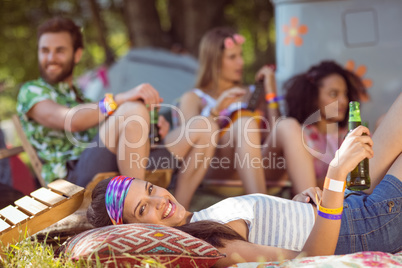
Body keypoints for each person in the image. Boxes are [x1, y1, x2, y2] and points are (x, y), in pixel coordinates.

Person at [88, 93, 402, 267]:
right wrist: (334, 176)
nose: (160, 201)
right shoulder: (205, 246)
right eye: (144, 210)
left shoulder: (200, 222)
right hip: (365, 226)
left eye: (151, 189)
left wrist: (295, 205)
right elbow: (310, 260)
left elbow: (276, 230)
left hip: (353, 211)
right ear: (138, 231)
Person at [16, 17, 215, 190]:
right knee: (132, 108)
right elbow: (71, 120)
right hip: (74, 181)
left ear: (77, 55)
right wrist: (120, 99)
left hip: (113, 165)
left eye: (59, 51)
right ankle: (138, 207)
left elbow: (115, 133)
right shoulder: (31, 92)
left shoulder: (81, 97)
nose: (50, 58)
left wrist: (149, 130)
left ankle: (184, 218)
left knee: (204, 127)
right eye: (45, 50)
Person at [170, 27, 285, 208]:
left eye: (240, 55)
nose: (240, 62)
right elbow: (187, 146)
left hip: (258, 165)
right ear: (213, 61)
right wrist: (217, 109)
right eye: (232, 57)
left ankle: (314, 208)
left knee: (290, 127)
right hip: (216, 167)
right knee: (245, 123)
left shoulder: (252, 93)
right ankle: (265, 210)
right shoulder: (194, 98)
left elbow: (277, 132)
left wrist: (270, 93)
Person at [262, 60, 368, 189]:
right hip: (311, 204)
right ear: (313, 97)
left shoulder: (350, 134)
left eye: (345, 94)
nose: (343, 101)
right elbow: (277, 134)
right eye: (333, 94)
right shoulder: (299, 135)